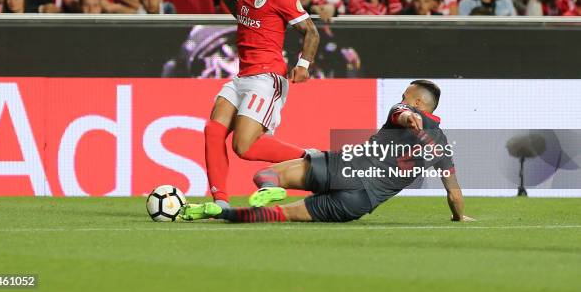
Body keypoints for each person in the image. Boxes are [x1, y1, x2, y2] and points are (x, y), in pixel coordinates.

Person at [182, 80, 475, 225]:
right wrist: (459, 217)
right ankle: (226, 214)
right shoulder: (443, 149)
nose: (401, 100)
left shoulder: (403, 111)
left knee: (266, 173)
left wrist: (407, 116)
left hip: (342, 168)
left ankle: (267, 189)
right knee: (279, 215)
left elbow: (401, 112)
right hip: (359, 202)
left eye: (406, 97)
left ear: (419, 105)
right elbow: (454, 195)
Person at [202, 0, 319, 208]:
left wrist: (303, 65)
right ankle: (220, 202)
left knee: (243, 146)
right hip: (242, 76)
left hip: (267, 78)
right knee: (212, 131)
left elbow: (310, 32)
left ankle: (311, 157)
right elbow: (243, 13)